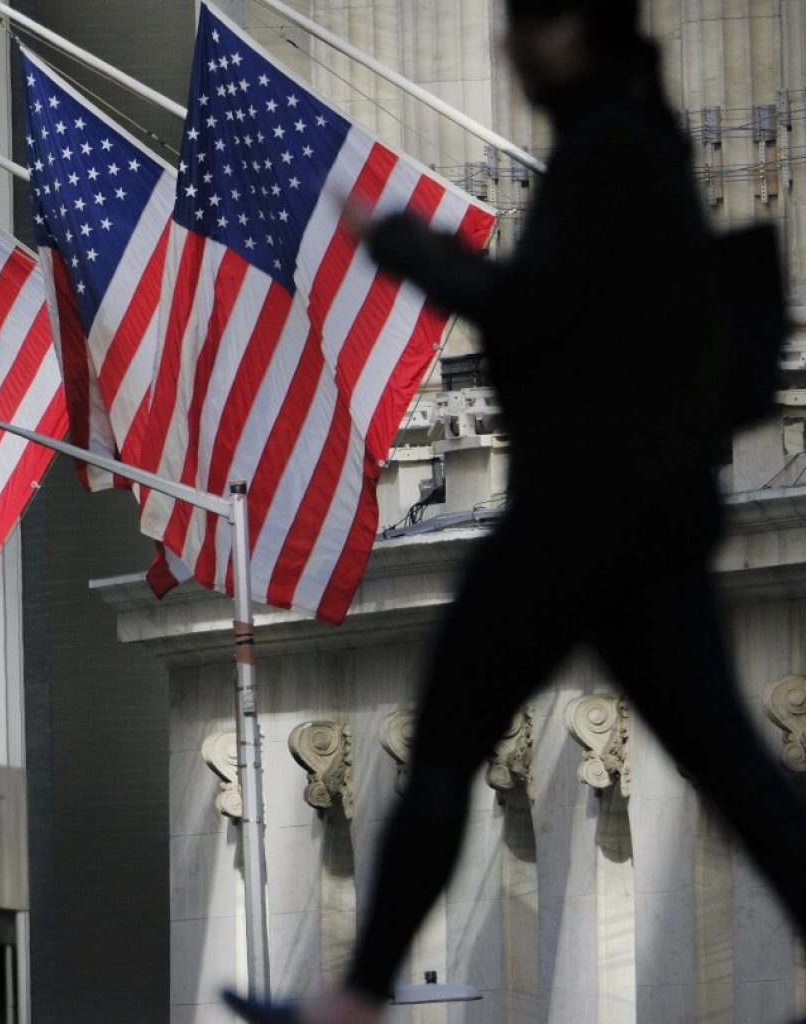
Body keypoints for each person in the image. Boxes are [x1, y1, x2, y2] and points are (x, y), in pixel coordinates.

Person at [226, 1, 806, 1021]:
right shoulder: (634, 145)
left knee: (451, 739)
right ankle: (354, 998)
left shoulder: (613, 151)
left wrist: (403, 243)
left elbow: (530, 309)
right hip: (632, 526)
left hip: (577, 524)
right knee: (729, 765)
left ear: (574, 29)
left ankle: (354, 999)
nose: (504, 49)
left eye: (523, 26)